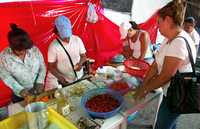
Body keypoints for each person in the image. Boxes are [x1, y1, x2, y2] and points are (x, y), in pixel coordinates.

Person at [134, 1, 197, 129]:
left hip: (177, 94)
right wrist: (144, 84)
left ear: (167, 20)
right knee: (170, 124)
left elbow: (165, 76)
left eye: (159, 22)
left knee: (162, 125)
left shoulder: (178, 43)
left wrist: (144, 90)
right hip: (171, 91)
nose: (157, 26)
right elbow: (156, 64)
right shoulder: (169, 38)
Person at [0, 24, 46, 102]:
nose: (24, 52)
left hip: (38, 90)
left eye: (25, 49)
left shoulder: (34, 50)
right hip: (20, 96)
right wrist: (20, 90)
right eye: (20, 50)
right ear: (11, 46)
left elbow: (42, 66)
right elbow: (6, 77)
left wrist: (40, 81)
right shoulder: (4, 57)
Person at [45, 15, 87, 90]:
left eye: (68, 36)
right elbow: (51, 67)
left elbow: (83, 56)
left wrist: (80, 64)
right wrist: (60, 78)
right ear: (57, 33)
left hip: (79, 76)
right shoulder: (53, 46)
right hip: (65, 80)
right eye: (64, 37)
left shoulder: (77, 40)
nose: (67, 39)